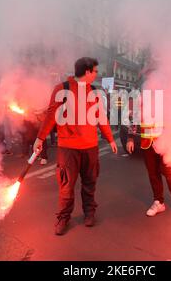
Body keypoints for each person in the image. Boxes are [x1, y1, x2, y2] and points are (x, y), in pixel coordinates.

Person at [33, 57, 117, 235]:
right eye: (95, 71)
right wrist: (40, 139)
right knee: (66, 185)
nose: (96, 74)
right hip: (68, 148)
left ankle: (89, 212)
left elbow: (101, 117)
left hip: (90, 147)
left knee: (89, 182)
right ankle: (64, 217)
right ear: (87, 72)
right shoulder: (62, 89)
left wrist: (110, 139)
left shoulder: (94, 92)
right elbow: (50, 116)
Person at [126, 121, 171, 217]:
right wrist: (130, 138)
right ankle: (159, 202)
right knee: (153, 173)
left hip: (164, 140)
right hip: (147, 142)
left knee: (169, 171)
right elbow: (135, 116)